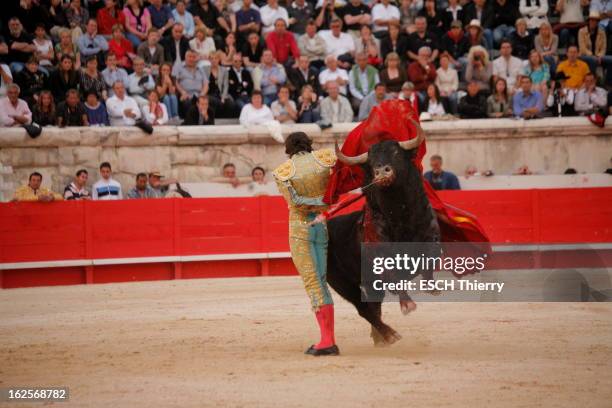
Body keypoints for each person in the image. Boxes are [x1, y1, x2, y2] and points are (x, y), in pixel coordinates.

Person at [272, 132, 339, 356]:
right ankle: (328, 338)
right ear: (309, 144)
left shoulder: (283, 172)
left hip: (301, 230)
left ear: (288, 148)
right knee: (321, 280)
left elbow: (296, 202)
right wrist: (326, 202)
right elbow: (341, 182)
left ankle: (327, 340)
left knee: (313, 283)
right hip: (322, 227)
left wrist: (318, 202)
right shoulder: (326, 159)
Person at [578, 12, 611, 86]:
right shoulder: (581, 31)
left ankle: (607, 83)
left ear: (597, 22)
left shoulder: (602, 32)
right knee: (593, 60)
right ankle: (592, 82)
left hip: (598, 56)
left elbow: (603, 47)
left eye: (595, 20)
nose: (593, 22)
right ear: (589, 21)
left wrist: (599, 55)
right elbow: (582, 48)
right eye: (592, 20)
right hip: (584, 55)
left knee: (611, 59)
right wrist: (593, 56)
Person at [173, 50, 209, 114]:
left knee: (212, 101)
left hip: (199, 94)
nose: (191, 59)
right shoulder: (179, 68)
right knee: (188, 103)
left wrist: (202, 94)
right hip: (186, 94)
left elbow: (206, 84)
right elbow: (176, 82)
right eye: (189, 56)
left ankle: (207, 121)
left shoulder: (200, 69)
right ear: (185, 57)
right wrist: (183, 92)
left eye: (194, 57)